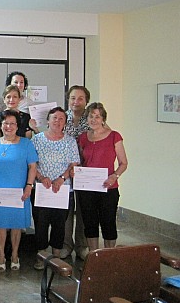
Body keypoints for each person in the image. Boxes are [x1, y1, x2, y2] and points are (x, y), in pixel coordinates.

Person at [0, 110, 38, 271]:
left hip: (20, 191)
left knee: (16, 225)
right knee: (0, 225)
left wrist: (29, 186)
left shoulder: (26, 144)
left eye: (12, 123)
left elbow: (32, 167)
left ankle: (14, 255)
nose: (9, 126)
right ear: (1, 125)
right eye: (5, 123)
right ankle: (1, 256)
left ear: (17, 126)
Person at [31, 107, 80, 270]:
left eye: (61, 119)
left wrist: (62, 178)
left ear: (65, 122)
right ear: (48, 120)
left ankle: (57, 257)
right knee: (41, 224)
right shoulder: (37, 139)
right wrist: (41, 177)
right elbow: (31, 164)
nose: (57, 121)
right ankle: (41, 256)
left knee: (60, 224)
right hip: (42, 188)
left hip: (63, 189)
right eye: (54, 118)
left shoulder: (70, 141)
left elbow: (73, 164)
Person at [77, 102, 128, 252]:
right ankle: (93, 255)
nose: (93, 119)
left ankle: (109, 256)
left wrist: (115, 176)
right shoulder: (83, 138)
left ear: (103, 119)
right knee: (90, 222)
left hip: (108, 187)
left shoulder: (114, 136)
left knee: (108, 222)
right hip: (87, 188)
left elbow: (124, 163)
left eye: (97, 116)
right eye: (91, 116)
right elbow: (81, 161)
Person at [60, 85, 91, 260]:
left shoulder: (93, 117)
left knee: (84, 209)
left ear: (86, 100)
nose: (76, 102)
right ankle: (66, 244)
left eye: (80, 98)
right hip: (66, 170)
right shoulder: (63, 118)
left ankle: (82, 245)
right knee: (66, 209)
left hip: (88, 171)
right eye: (72, 98)